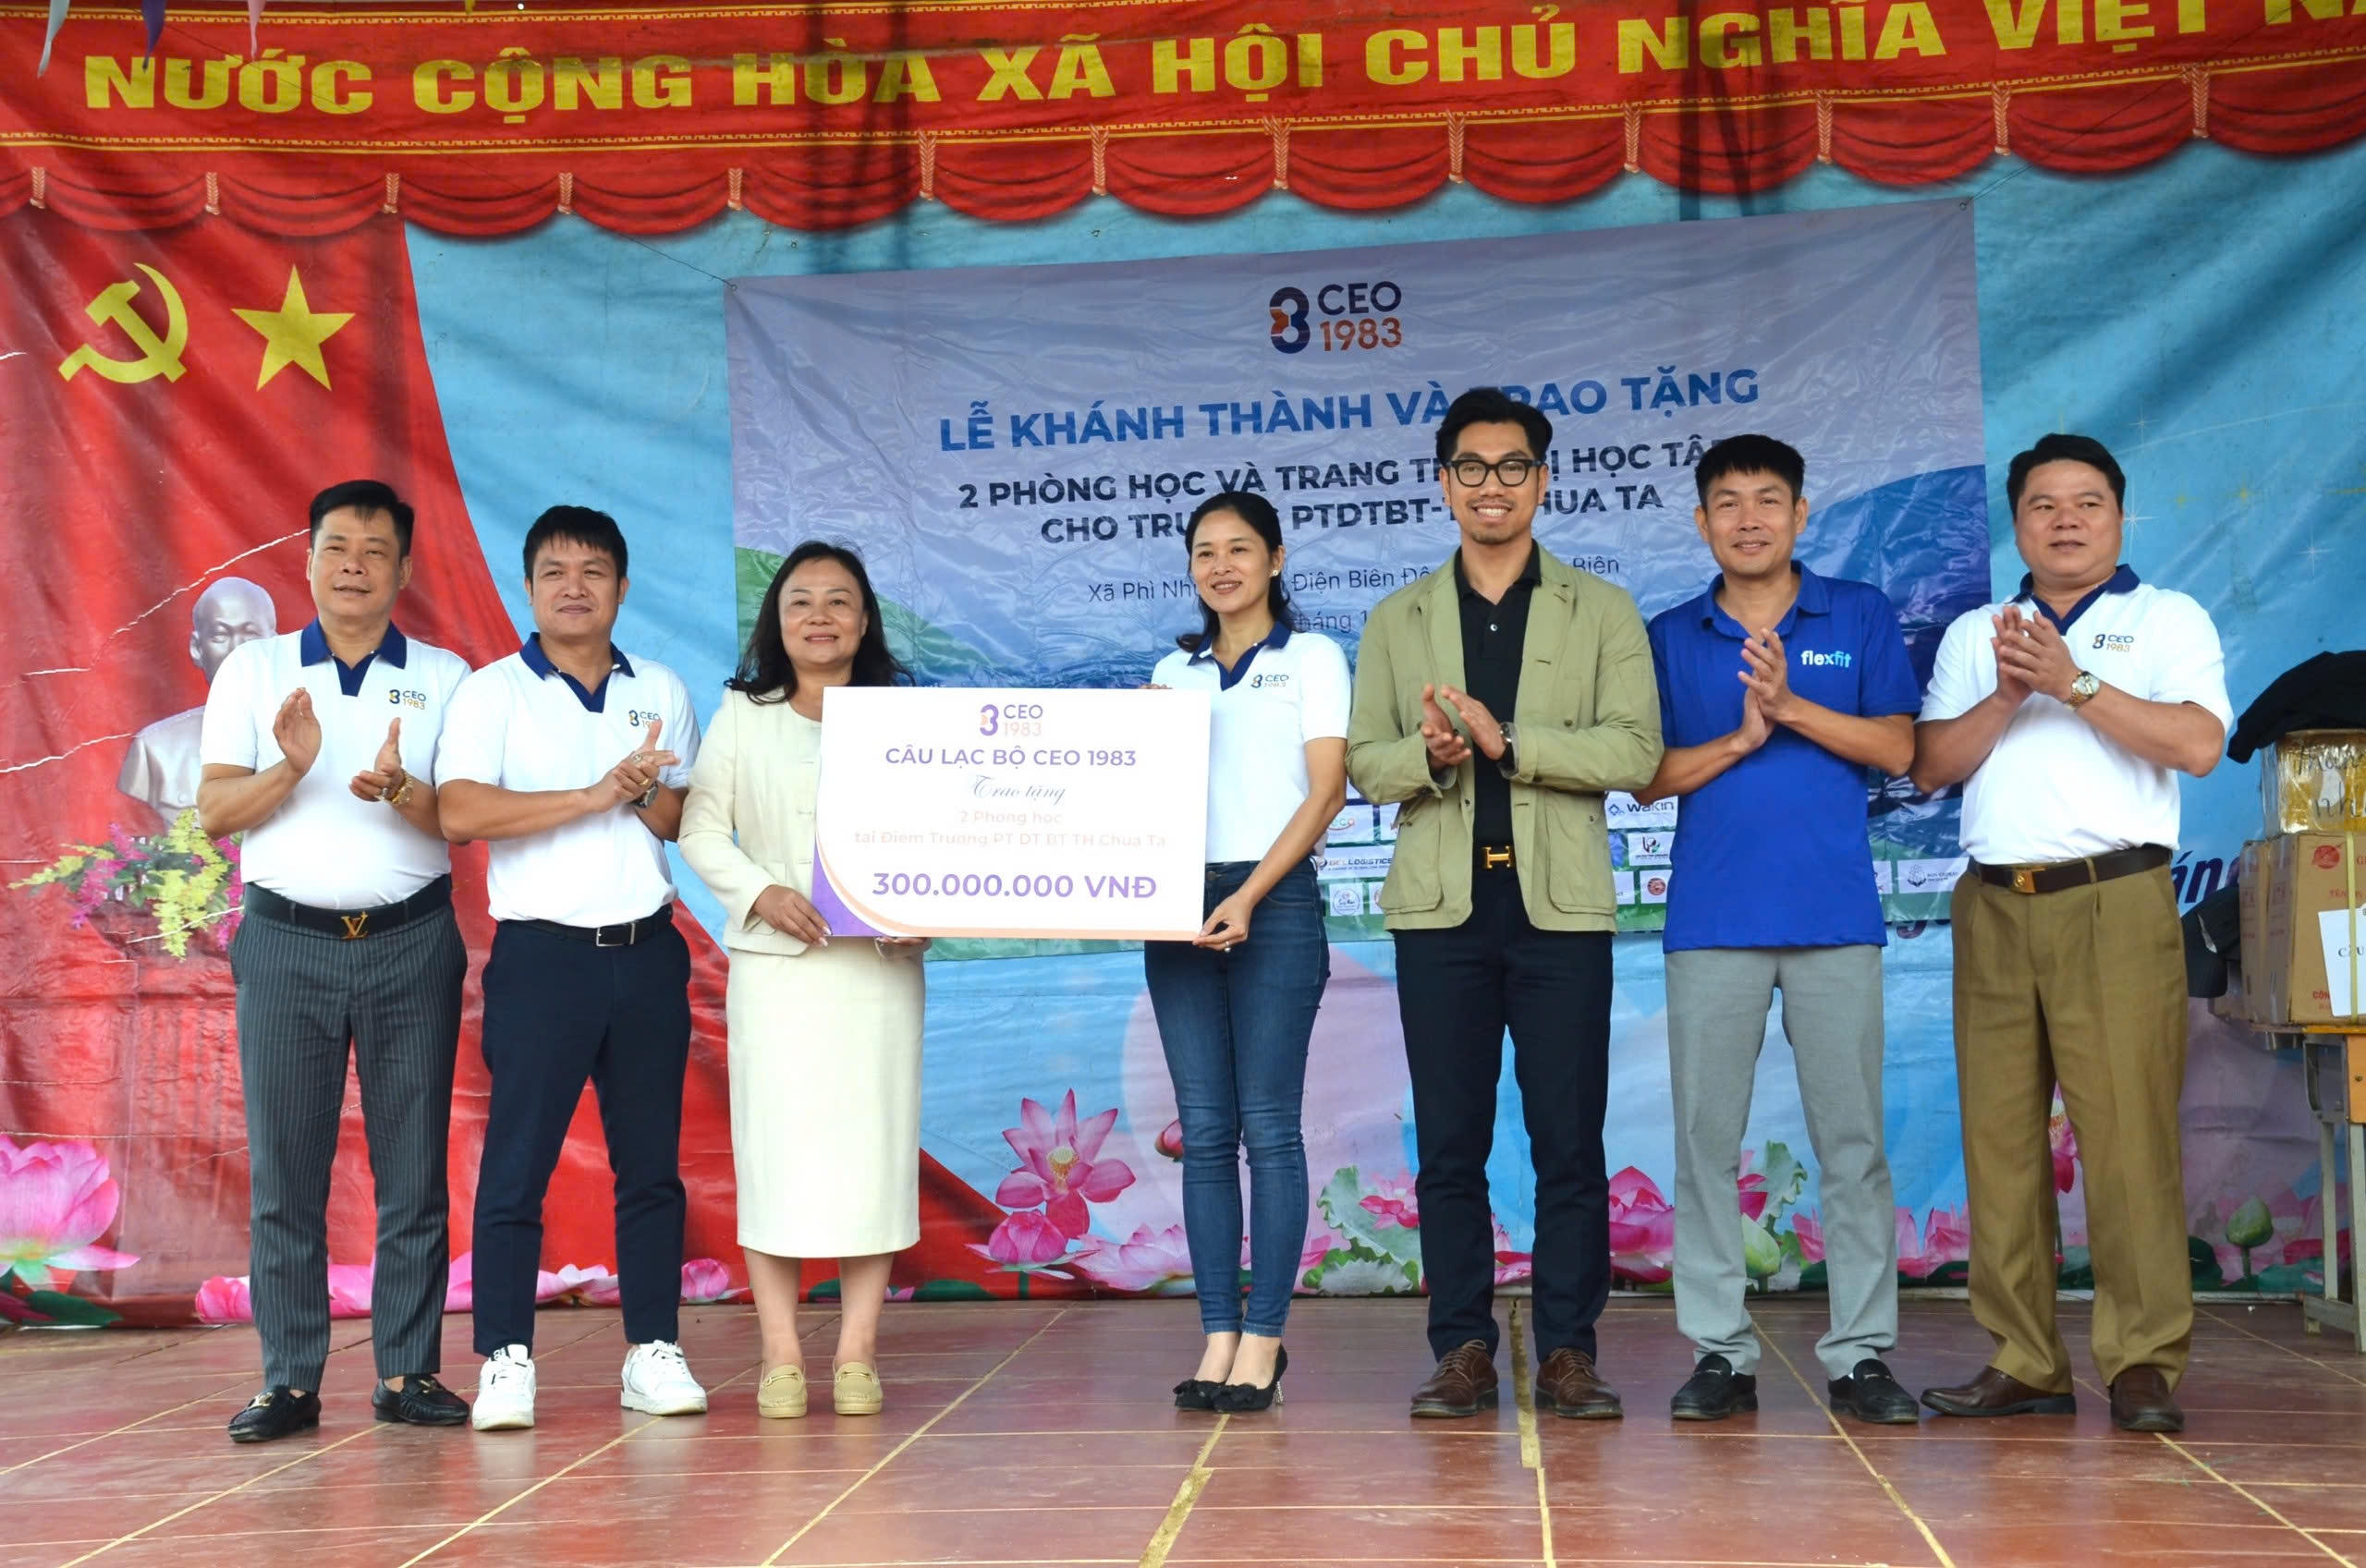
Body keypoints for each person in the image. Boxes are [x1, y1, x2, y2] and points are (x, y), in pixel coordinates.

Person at [1346, 387, 1663, 1421]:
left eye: (1513, 465)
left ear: (1543, 479)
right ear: (1444, 484)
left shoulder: (1600, 608)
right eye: (1473, 468)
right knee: (1450, 1144)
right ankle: (1463, 1348)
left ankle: (1569, 1348)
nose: (1494, 485)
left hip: (1557, 911)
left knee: (1570, 1140)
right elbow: (1365, 762)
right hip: (1442, 913)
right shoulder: (1397, 618)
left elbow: (1635, 750)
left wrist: (1509, 741)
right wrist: (1430, 754)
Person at [1909, 433, 2230, 1434]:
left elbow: (2199, 744)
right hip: (1993, 901)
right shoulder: (1978, 633)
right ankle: (2024, 1358)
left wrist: (2072, 681)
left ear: (2120, 516)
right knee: (1999, 1140)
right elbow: (1931, 765)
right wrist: (2010, 691)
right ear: (2016, 523)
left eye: (2086, 502)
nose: (2065, 520)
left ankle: (2141, 1361)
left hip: (2112, 899)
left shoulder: (2165, 617)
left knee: (2127, 1138)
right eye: (2042, 504)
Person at [1636, 435, 1921, 1426]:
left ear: (1801, 514)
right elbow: (1645, 775)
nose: (1748, 518)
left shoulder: (1857, 613)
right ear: (1701, 521)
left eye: (1768, 499)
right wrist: (1739, 738)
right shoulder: (1672, 634)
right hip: (1712, 921)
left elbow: (1898, 747)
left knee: (1853, 1144)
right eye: (1728, 501)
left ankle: (1860, 1354)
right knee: (1704, 1144)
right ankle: (1720, 1350)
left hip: (1834, 918)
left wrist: (1792, 706)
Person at [196, 480, 472, 1443]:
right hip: (286, 945)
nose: (354, 564)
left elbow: (459, 820)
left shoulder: (446, 676)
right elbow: (215, 811)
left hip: (411, 942)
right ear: (307, 560)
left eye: (375, 549)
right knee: (287, 1171)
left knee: (414, 1167)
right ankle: (289, 1380)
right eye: (337, 546)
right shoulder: (256, 671)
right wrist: (292, 766)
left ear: (404, 569)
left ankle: (407, 1368)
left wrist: (400, 788)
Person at [437, 505, 706, 1432]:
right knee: (517, 1166)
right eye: (554, 571)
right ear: (529, 587)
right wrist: (593, 792)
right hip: (542, 958)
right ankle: (504, 1357)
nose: (574, 587)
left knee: (651, 1167)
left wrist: (640, 787)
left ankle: (653, 1348)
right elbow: (460, 812)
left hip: (645, 952)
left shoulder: (659, 687)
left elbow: (677, 821)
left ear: (623, 587)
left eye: (593, 570)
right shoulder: (493, 692)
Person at [678, 541, 925, 1421]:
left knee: (874, 1152)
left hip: (878, 971)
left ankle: (857, 1350)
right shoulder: (741, 714)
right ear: (776, 622)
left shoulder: (906, 718)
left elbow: (944, 834)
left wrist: (925, 906)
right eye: (800, 601)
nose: (820, 616)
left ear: (865, 619)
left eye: (839, 600)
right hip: (778, 973)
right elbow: (700, 828)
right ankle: (780, 1351)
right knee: (775, 1153)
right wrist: (761, 892)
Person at [1143, 492, 1348, 1416]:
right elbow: (1141, 797)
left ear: (1275, 558)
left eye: (1238, 548)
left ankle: (1264, 1336)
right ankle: (1217, 1332)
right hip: (1176, 901)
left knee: (1268, 1126)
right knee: (1203, 1131)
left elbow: (1326, 791)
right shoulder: (1170, 673)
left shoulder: (1313, 658)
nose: (1220, 565)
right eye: (1204, 552)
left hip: (1276, 899)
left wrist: (1250, 895)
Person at [123, 576, 277, 819]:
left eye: (250, 634)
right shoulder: (154, 751)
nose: (237, 650)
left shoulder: (315, 744)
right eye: (220, 635)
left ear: (275, 646)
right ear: (197, 648)